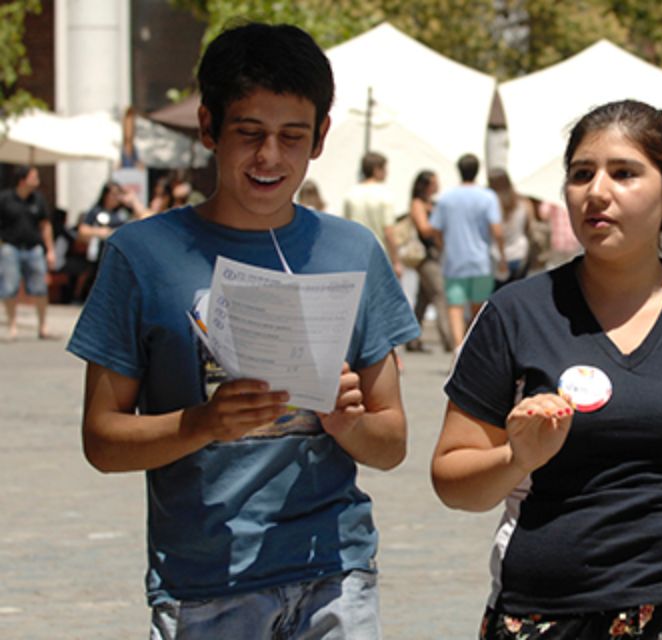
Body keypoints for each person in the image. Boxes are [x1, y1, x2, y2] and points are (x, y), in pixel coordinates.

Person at [67, 22, 419, 639]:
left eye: (292, 137)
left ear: (321, 138)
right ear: (208, 127)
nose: (270, 158)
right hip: (203, 586)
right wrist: (205, 422)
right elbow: (102, 439)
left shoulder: (353, 250)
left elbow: (391, 443)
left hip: (336, 572)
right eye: (249, 133)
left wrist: (349, 423)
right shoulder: (141, 255)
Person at [431, 100, 662, 640]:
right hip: (545, 614)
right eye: (581, 174)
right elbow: (453, 481)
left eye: (624, 173)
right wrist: (517, 457)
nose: (596, 191)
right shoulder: (515, 315)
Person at [430, 153, 506, 350]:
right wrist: (502, 255)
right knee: (478, 307)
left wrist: (442, 245)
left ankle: (458, 345)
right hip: (481, 260)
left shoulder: (446, 198)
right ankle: (473, 346)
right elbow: (497, 230)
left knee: (455, 307)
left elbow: (435, 229)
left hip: (454, 259)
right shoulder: (488, 197)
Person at [0, 165, 57, 340]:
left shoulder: (38, 200)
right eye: (34, 177)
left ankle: (43, 326)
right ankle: (13, 326)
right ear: (23, 180)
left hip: (34, 248)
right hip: (11, 247)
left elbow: (45, 225)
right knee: (9, 288)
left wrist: (50, 250)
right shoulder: (5, 199)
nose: (37, 181)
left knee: (40, 288)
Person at [405, 169, 451, 353]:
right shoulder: (418, 204)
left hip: (434, 255)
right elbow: (424, 229)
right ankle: (449, 339)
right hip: (425, 257)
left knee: (423, 299)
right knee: (440, 295)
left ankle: (412, 339)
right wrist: (440, 227)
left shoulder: (432, 204)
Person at [344, 151, 403, 278]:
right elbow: (388, 231)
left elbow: (346, 228)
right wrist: (396, 261)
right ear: (377, 170)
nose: (387, 173)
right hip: (378, 256)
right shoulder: (385, 195)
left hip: (355, 256)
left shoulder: (351, 194)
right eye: (385, 169)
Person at [487, 168, 533, 289]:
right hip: (520, 252)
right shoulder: (523, 202)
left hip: (496, 257)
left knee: (498, 297)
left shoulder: (490, 205)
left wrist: (502, 258)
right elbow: (528, 227)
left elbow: (497, 234)